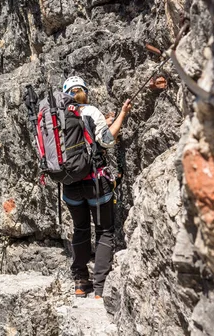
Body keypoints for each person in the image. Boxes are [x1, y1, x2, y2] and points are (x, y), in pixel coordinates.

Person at [61, 76, 132, 299]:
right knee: (104, 230)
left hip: (70, 184)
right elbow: (107, 141)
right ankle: (100, 288)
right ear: (85, 92)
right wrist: (122, 115)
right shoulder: (91, 111)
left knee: (80, 228)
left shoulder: (58, 116)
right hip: (95, 183)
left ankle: (81, 283)